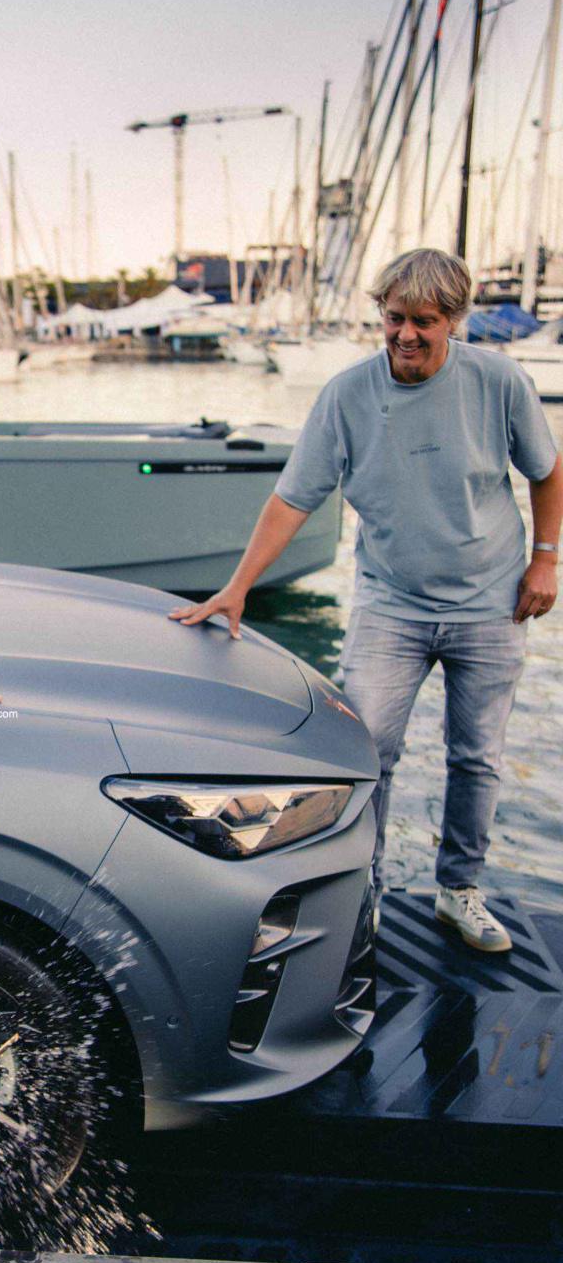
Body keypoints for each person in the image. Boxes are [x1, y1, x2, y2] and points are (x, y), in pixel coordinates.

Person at [171, 248, 561, 953]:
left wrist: (546, 559)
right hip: (390, 607)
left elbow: (547, 469)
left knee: (477, 757)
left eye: (424, 322)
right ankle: (363, 893)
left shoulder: (499, 381)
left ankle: (459, 890)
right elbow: (293, 499)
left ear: (453, 320)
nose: (406, 335)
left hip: (490, 604)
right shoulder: (346, 394)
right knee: (367, 754)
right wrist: (237, 586)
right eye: (394, 318)